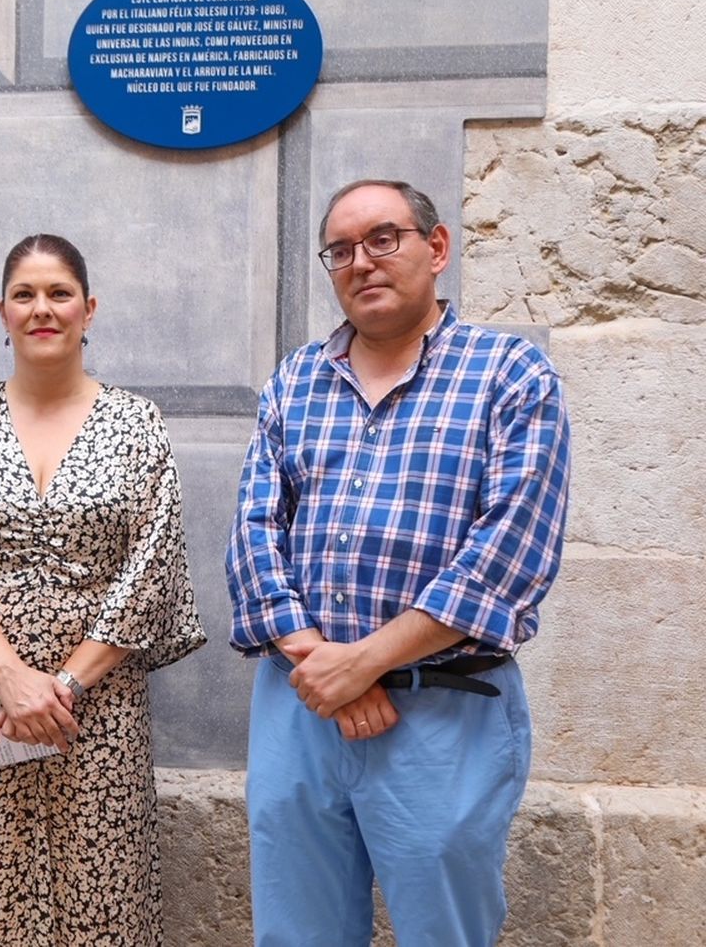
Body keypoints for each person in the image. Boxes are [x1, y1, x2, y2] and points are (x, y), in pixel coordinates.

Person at [226, 180, 571, 946]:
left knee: (443, 933)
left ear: (436, 247)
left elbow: (508, 555)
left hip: (442, 711)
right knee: (296, 935)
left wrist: (366, 662)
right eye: (341, 250)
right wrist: (325, 668)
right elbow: (252, 531)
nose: (362, 261)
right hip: (300, 704)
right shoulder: (295, 380)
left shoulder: (511, 375)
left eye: (384, 238)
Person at [0, 233, 207, 945]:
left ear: (88, 309)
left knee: (101, 903)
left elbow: (153, 562)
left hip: (98, 707)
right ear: (2, 312)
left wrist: (63, 687)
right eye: (25, 294)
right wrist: (11, 677)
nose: (42, 308)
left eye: (59, 293)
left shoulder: (136, 422)